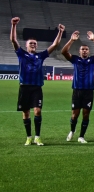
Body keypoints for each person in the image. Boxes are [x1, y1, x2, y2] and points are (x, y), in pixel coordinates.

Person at [11, 17, 65, 146]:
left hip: (36, 88)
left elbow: (55, 45)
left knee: (37, 111)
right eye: (31, 43)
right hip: (24, 87)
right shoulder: (21, 54)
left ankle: (37, 137)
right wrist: (13, 25)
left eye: (35, 43)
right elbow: (13, 40)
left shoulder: (40, 56)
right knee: (26, 112)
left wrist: (60, 32)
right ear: (26, 45)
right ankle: (29, 137)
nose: (33, 45)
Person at [62, 30, 94, 143]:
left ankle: (81, 136)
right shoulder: (75, 59)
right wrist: (71, 40)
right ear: (79, 51)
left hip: (89, 91)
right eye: (82, 49)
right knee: (74, 115)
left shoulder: (92, 60)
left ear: (89, 51)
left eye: (86, 49)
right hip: (77, 90)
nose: (84, 51)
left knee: (86, 114)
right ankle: (72, 131)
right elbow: (64, 51)